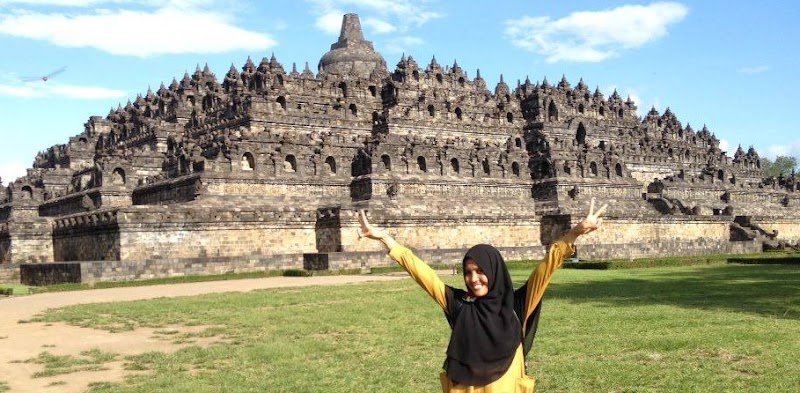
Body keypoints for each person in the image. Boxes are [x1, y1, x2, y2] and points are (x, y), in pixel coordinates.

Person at [357, 198, 608, 393]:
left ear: (494, 270)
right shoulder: (459, 304)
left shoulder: (518, 305)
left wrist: (573, 233)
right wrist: (387, 240)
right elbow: (424, 275)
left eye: (480, 271)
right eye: (468, 272)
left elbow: (547, 267)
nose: (473, 279)